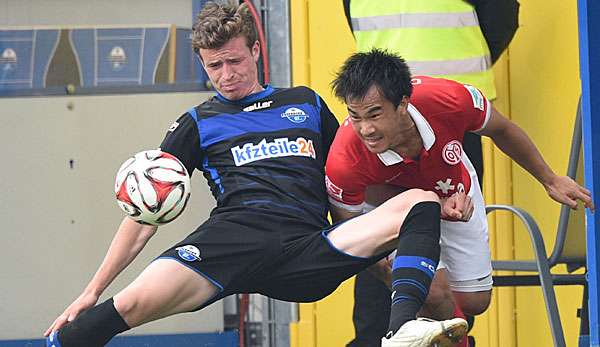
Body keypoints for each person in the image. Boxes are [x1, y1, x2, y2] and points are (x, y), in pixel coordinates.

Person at [43, 3, 468, 347]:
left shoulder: (305, 103)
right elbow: (143, 216)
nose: (227, 75)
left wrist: (397, 232)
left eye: (234, 60)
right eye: (214, 66)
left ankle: (400, 334)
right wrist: (92, 289)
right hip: (228, 244)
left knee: (420, 201)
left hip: (306, 247)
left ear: (256, 52)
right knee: (119, 309)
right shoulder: (197, 121)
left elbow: (352, 175)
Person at [327, 49, 595, 346]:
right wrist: (383, 272)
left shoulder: (449, 99)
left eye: (375, 114)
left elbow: (502, 129)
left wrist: (550, 178)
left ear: (403, 103)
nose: (366, 129)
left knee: (473, 303)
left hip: (454, 190)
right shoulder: (344, 157)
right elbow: (349, 231)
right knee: (433, 292)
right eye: (355, 116)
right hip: (385, 211)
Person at [341, 1, 519, 345]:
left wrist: (439, 91)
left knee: (452, 250)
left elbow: (500, 20)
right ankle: (383, 338)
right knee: (383, 246)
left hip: (451, 117)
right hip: (381, 124)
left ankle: (449, 336)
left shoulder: (449, 100)